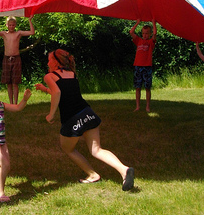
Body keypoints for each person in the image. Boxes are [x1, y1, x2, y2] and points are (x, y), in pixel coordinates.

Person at [35, 49, 135, 191]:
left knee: (68, 148)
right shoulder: (72, 74)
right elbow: (63, 92)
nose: (47, 62)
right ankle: (124, 170)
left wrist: (51, 114)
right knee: (96, 150)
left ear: (56, 62)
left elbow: (57, 92)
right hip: (87, 113)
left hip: (72, 118)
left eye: (50, 59)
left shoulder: (49, 76)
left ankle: (93, 174)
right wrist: (45, 90)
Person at [0, 15, 35, 104]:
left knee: (15, 83)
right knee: (8, 83)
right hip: (7, 59)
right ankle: (11, 103)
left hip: (16, 59)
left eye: (13, 25)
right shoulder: (4, 34)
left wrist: (30, 20)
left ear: (15, 25)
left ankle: (15, 103)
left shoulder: (18, 33)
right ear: (7, 25)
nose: (11, 26)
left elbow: (32, 32)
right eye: (10, 25)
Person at [130, 19, 157, 112]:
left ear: (149, 34)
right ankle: (137, 106)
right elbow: (131, 32)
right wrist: (137, 22)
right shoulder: (138, 41)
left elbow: (154, 34)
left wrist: (153, 22)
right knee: (137, 87)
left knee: (147, 88)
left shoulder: (150, 42)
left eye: (147, 33)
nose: (145, 35)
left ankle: (147, 107)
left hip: (147, 67)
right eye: (144, 33)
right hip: (138, 66)